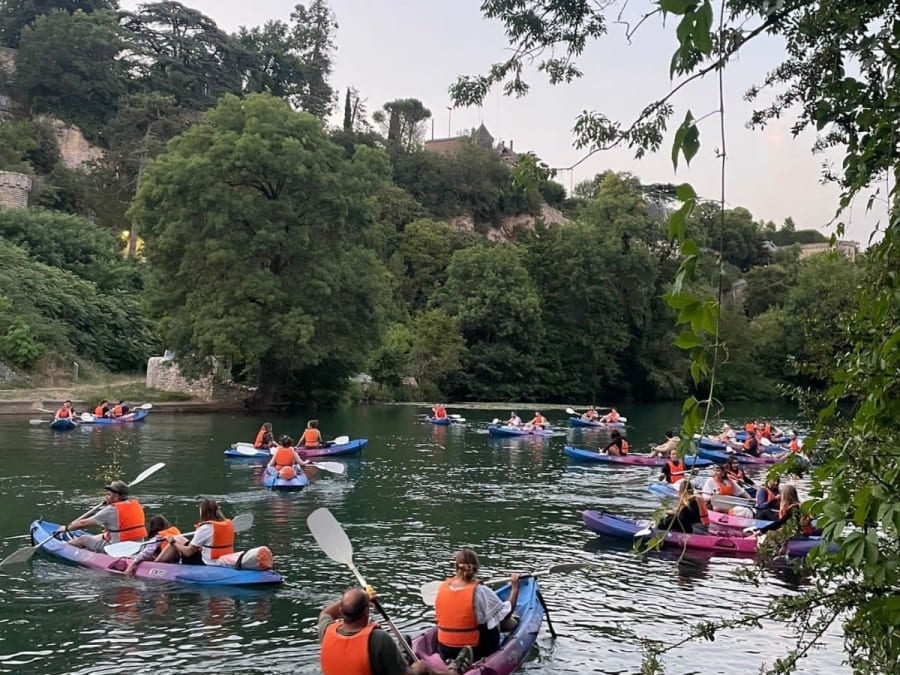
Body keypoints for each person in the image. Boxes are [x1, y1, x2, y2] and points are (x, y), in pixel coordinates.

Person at [319, 586, 464, 675]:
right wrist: (419, 668)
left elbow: (325, 613)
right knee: (422, 667)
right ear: (366, 611)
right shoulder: (378, 639)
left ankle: (402, 655)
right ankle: (453, 673)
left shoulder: (326, 632)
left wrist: (353, 600)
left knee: (400, 649)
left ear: (341, 611)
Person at [434, 548, 520, 663]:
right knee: (496, 622)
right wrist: (515, 588)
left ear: (456, 567)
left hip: (445, 649)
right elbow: (506, 614)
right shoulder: (481, 591)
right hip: (473, 651)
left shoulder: (442, 588)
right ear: (476, 568)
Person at [57, 481, 147, 552]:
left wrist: (66, 528)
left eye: (108, 495)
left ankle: (61, 547)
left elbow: (82, 523)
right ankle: (73, 543)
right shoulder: (135, 504)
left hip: (116, 549)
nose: (106, 497)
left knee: (82, 539)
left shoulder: (111, 510)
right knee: (102, 535)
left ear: (116, 497)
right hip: (137, 547)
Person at [155, 498, 233, 566]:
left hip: (208, 562)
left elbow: (188, 552)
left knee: (174, 542)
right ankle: (157, 562)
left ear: (203, 512)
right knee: (178, 538)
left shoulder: (205, 528)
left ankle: (154, 564)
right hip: (221, 558)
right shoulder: (227, 524)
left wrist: (172, 542)